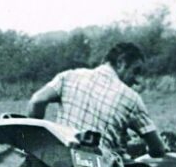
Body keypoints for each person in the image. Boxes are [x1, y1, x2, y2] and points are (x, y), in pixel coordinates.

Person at [27, 42, 167, 158]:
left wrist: (36, 142)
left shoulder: (69, 76)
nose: (137, 81)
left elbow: (37, 101)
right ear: (120, 63)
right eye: (135, 71)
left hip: (60, 156)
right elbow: (158, 149)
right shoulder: (132, 98)